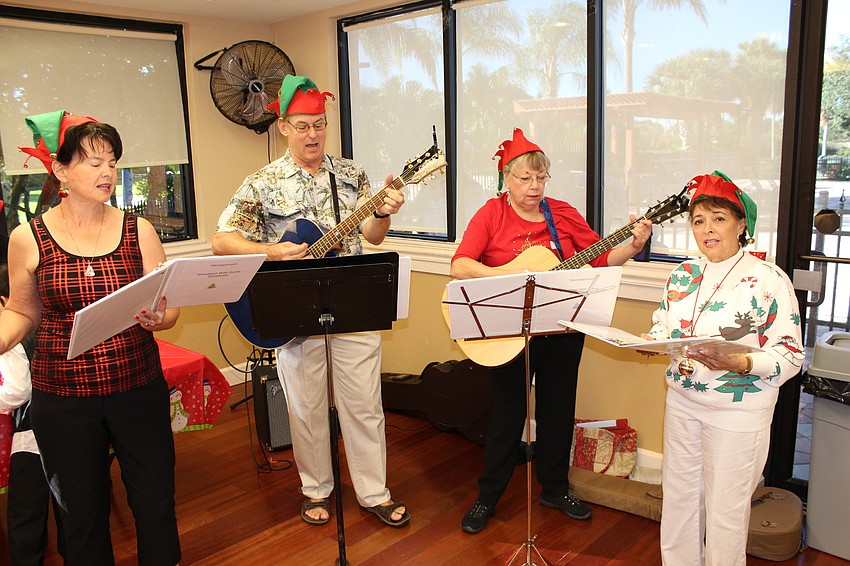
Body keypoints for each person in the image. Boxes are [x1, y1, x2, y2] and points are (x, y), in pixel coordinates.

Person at [212, 75, 410, 528]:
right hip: (292, 312)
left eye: (319, 124)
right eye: (302, 126)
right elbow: (221, 241)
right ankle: (316, 489)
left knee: (364, 404)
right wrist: (270, 251)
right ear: (283, 127)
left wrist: (381, 211)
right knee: (305, 407)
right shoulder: (261, 182)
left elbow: (373, 236)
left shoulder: (352, 174)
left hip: (353, 307)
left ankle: (373, 492)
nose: (313, 134)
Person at [451, 128, 653, 534]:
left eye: (540, 177)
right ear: (507, 179)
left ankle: (555, 488)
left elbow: (601, 257)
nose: (534, 186)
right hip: (510, 332)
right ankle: (488, 496)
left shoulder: (561, 213)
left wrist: (633, 244)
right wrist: (504, 277)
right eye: (525, 178)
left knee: (558, 409)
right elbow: (460, 265)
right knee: (508, 415)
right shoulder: (491, 214)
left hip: (562, 327)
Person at [2, 110, 181, 565]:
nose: (108, 173)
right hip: (62, 398)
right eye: (93, 162)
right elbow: (23, 312)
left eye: (112, 162)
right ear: (60, 170)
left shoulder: (137, 229)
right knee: (80, 513)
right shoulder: (28, 237)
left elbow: (170, 308)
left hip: (137, 388)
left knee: (155, 502)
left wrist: (159, 318)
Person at [644, 171, 803, 566]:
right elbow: (664, 325)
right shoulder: (682, 274)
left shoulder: (769, 280)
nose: (707, 229)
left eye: (718, 218)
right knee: (679, 503)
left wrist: (743, 361)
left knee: (726, 513)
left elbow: (791, 356)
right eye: (698, 220)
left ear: (741, 224)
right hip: (682, 403)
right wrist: (652, 342)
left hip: (738, 413)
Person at [0, 263, 67, 566]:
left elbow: (13, 393)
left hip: (32, 434)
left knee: (26, 512)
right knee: (72, 507)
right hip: (67, 427)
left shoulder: (13, 340)